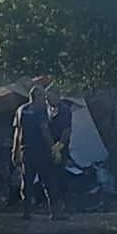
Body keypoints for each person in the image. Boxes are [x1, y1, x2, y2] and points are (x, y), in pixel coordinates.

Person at [12, 85, 64, 220]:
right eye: (43, 96)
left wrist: (15, 150)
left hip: (26, 151)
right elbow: (44, 130)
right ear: (37, 97)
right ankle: (55, 213)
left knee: (27, 181)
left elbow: (17, 132)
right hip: (41, 152)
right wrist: (53, 147)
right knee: (49, 181)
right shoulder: (40, 110)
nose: (45, 99)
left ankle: (26, 211)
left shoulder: (21, 110)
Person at [46, 85, 72, 210]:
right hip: (48, 148)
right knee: (51, 176)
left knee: (59, 175)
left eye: (50, 96)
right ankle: (55, 204)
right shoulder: (47, 109)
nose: (48, 99)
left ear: (57, 96)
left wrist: (58, 148)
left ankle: (66, 203)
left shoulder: (64, 110)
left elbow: (66, 130)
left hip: (60, 148)